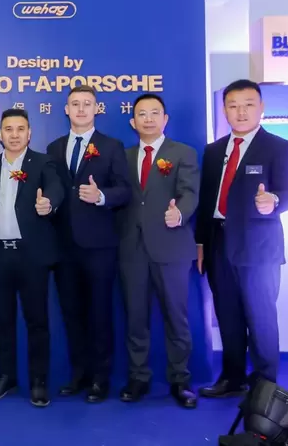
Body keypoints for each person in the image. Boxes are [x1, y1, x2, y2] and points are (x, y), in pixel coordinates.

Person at [196, 79, 288, 397]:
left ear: (261, 108)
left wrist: (274, 201)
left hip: (258, 247)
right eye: (233, 106)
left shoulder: (280, 147)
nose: (241, 112)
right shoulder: (213, 151)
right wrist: (200, 243)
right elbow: (206, 200)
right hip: (218, 243)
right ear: (224, 110)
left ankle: (265, 385)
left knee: (261, 317)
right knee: (227, 315)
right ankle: (232, 378)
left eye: (248, 105)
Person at [46, 85, 131, 403]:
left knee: (99, 313)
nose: (81, 109)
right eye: (75, 104)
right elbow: (53, 189)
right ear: (66, 110)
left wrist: (102, 196)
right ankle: (78, 374)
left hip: (99, 246)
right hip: (64, 246)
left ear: (97, 109)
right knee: (71, 313)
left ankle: (100, 378)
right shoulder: (54, 147)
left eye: (87, 104)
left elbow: (125, 190)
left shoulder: (111, 146)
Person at [0, 108, 64, 407]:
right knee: (3, 320)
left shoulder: (43, 162)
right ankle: (6, 377)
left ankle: (39, 382)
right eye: (8, 129)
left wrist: (48, 203)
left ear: (29, 133)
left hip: (32, 256)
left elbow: (56, 188)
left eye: (20, 129)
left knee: (37, 321)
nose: (14, 135)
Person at [117, 93, 200, 408]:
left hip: (171, 246)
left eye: (155, 113)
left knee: (176, 318)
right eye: (142, 113)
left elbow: (189, 192)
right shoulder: (123, 156)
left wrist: (180, 213)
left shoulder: (183, 153)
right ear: (133, 121)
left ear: (165, 119)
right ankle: (138, 377)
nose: (148, 118)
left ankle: (181, 380)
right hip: (132, 249)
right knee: (135, 317)